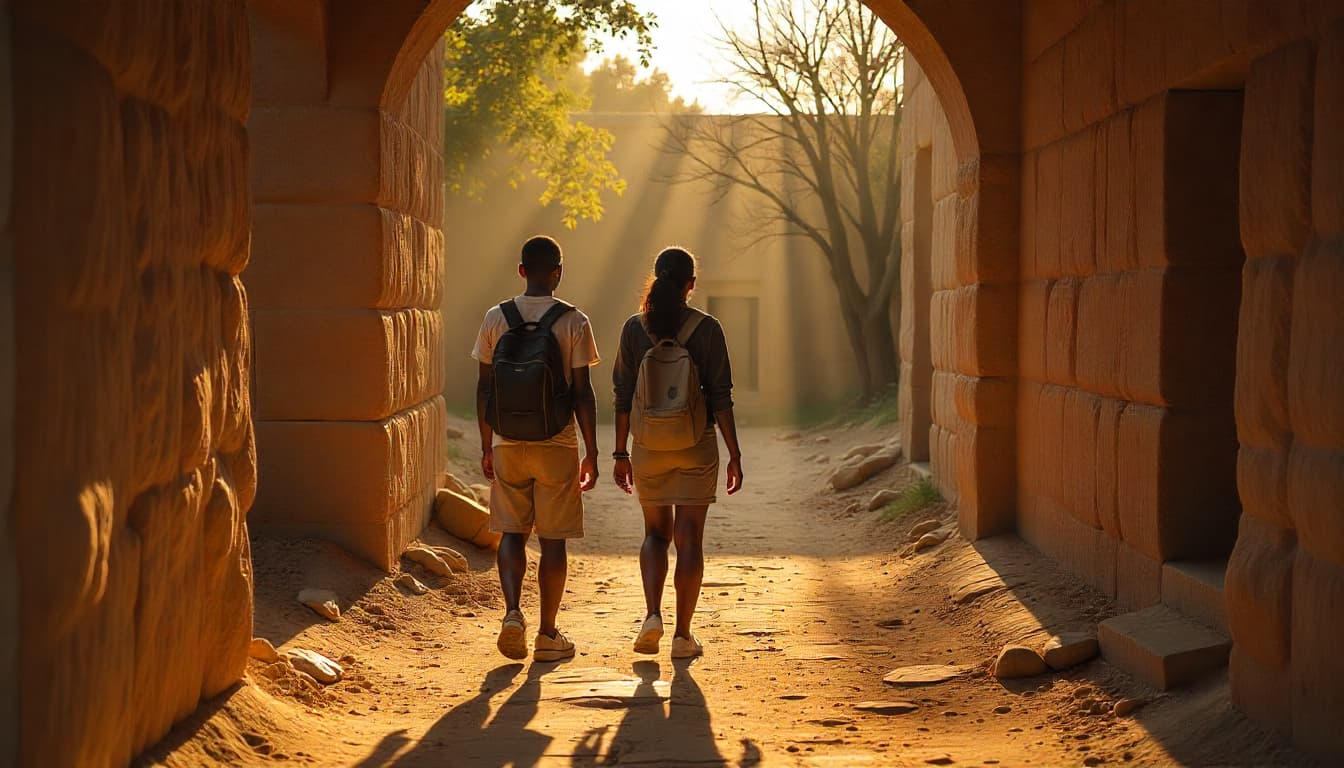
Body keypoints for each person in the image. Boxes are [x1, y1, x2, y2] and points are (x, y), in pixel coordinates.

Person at [612, 246, 744, 659]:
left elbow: (621, 394)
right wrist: (734, 454)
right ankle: (683, 636)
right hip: (695, 444)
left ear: (656, 278)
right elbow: (721, 396)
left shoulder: (635, 329)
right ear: (691, 285)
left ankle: (652, 614)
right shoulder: (707, 329)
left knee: (655, 534)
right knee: (689, 538)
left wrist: (620, 453)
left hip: (648, 445)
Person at [472, 235, 600, 662]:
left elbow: (485, 387)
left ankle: (512, 614)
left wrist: (488, 444)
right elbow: (584, 392)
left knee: (512, 532)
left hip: (509, 441)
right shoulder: (574, 321)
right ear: (558, 273)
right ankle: (548, 633)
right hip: (557, 443)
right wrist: (593, 452)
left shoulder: (495, 317)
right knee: (553, 540)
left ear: (522, 271)